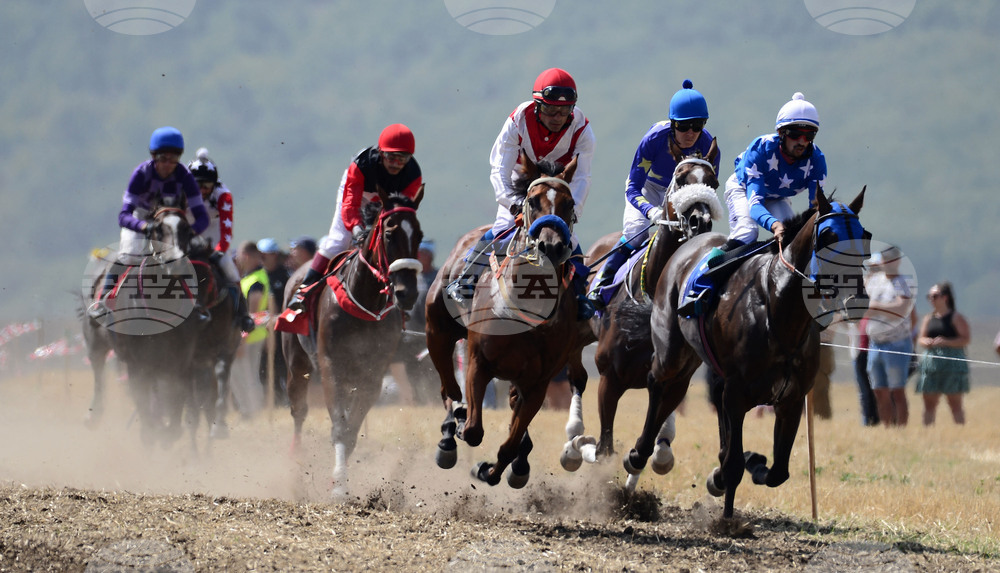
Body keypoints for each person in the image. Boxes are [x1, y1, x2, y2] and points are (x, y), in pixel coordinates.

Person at [445, 67, 597, 320]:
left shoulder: (583, 130)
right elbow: (499, 170)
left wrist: (572, 212)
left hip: (556, 185)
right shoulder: (518, 120)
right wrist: (513, 204)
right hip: (520, 181)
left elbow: (582, 177)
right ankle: (466, 279)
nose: (557, 117)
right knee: (503, 228)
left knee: (570, 240)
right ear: (537, 105)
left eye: (564, 110)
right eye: (550, 109)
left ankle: (580, 295)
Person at [678, 92, 827, 315]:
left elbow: (817, 210)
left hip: (776, 196)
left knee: (797, 240)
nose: (802, 142)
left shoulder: (817, 160)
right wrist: (775, 225)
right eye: (796, 134)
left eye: (809, 135)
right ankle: (699, 284)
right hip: (744, 189)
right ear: (782, 133)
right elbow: (755, 204)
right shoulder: (761, 149)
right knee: (747, 233)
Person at [587, 79, 721, 309]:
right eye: (683, 126)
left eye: (697, 125)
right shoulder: (654, 139)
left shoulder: (709, 147)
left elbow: (704, 192)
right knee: (637, 233)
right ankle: (601, 283)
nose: (690, 133)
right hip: (649, 188)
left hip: (683, 194)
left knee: (696, 235)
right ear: (672, 123)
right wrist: (650, 211)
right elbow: (633, 187)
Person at [287, 124, 423, 312]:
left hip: (387, 204)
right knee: (339, 240)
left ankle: (397, 298)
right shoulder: (362, 164)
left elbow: (401, 215)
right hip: (358, 196)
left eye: (403, 159)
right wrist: (357, 229)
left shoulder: (413, 175)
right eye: (391, 157)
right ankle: (304, 290)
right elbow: (350, 204)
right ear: (381, 153)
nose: (396, 164)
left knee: (393, 242)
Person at [88, 126, 211, 319]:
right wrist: (144, 227)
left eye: (174, 158)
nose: (168, 164)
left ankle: (194, 306)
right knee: (128, 255)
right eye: (163, 158)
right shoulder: (141, 174)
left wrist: (189, 232)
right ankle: (103, 300)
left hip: (171, 225)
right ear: (154, 156)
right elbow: (123, 216)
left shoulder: (185, 177)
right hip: (141, 220)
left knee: (184, 257)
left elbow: (202, 218)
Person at [187, 148, 256, 333]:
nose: (202, 191)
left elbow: (226, 230)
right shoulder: (179, 193)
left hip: (214, 236)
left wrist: (219, 251)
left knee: (230, 271)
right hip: (189, 235)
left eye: (207, 186)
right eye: (197, 185)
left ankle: (243, 315)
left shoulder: (223, 195)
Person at [864, 247, 917, 427]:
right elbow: (863, 306)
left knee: (897, 390)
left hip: (897, 343)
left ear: (897, 262)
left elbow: (901, 310)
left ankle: (901, 428)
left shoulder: (904, 283)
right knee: (879, 390)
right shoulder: (874, 281)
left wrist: (876, 306)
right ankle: (887, 427)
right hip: (875, 343)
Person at [916, 282, 971, 425]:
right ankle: (927, 434)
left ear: (945, 297)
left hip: (952, 364)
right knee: (929, 404)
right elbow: (921, 338)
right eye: (929, 296)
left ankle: (960, 432)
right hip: (931, 364)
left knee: (955, 404)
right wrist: (927, 341)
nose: (931, 299)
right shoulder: (928, 318)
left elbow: (965, 339)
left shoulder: (956, 317)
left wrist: (946, 341)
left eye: (935, 296)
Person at [257, 238, 291, 405]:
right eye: (261, 255)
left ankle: (282, 400)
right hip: (260, 329)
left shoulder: (285, 276)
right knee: (263, 368)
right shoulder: (257, 276)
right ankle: (269, 400)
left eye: (267, 255)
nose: (263, 258)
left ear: (275, 255)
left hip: (281, 328)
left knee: (280, 365)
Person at [848, 317, 879, 426]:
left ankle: (873, 420)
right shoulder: (858, 316)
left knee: (871, 391)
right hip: (859, 355)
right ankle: (868, 421)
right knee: (865, 392)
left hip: (868, 354)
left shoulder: (870, 316)